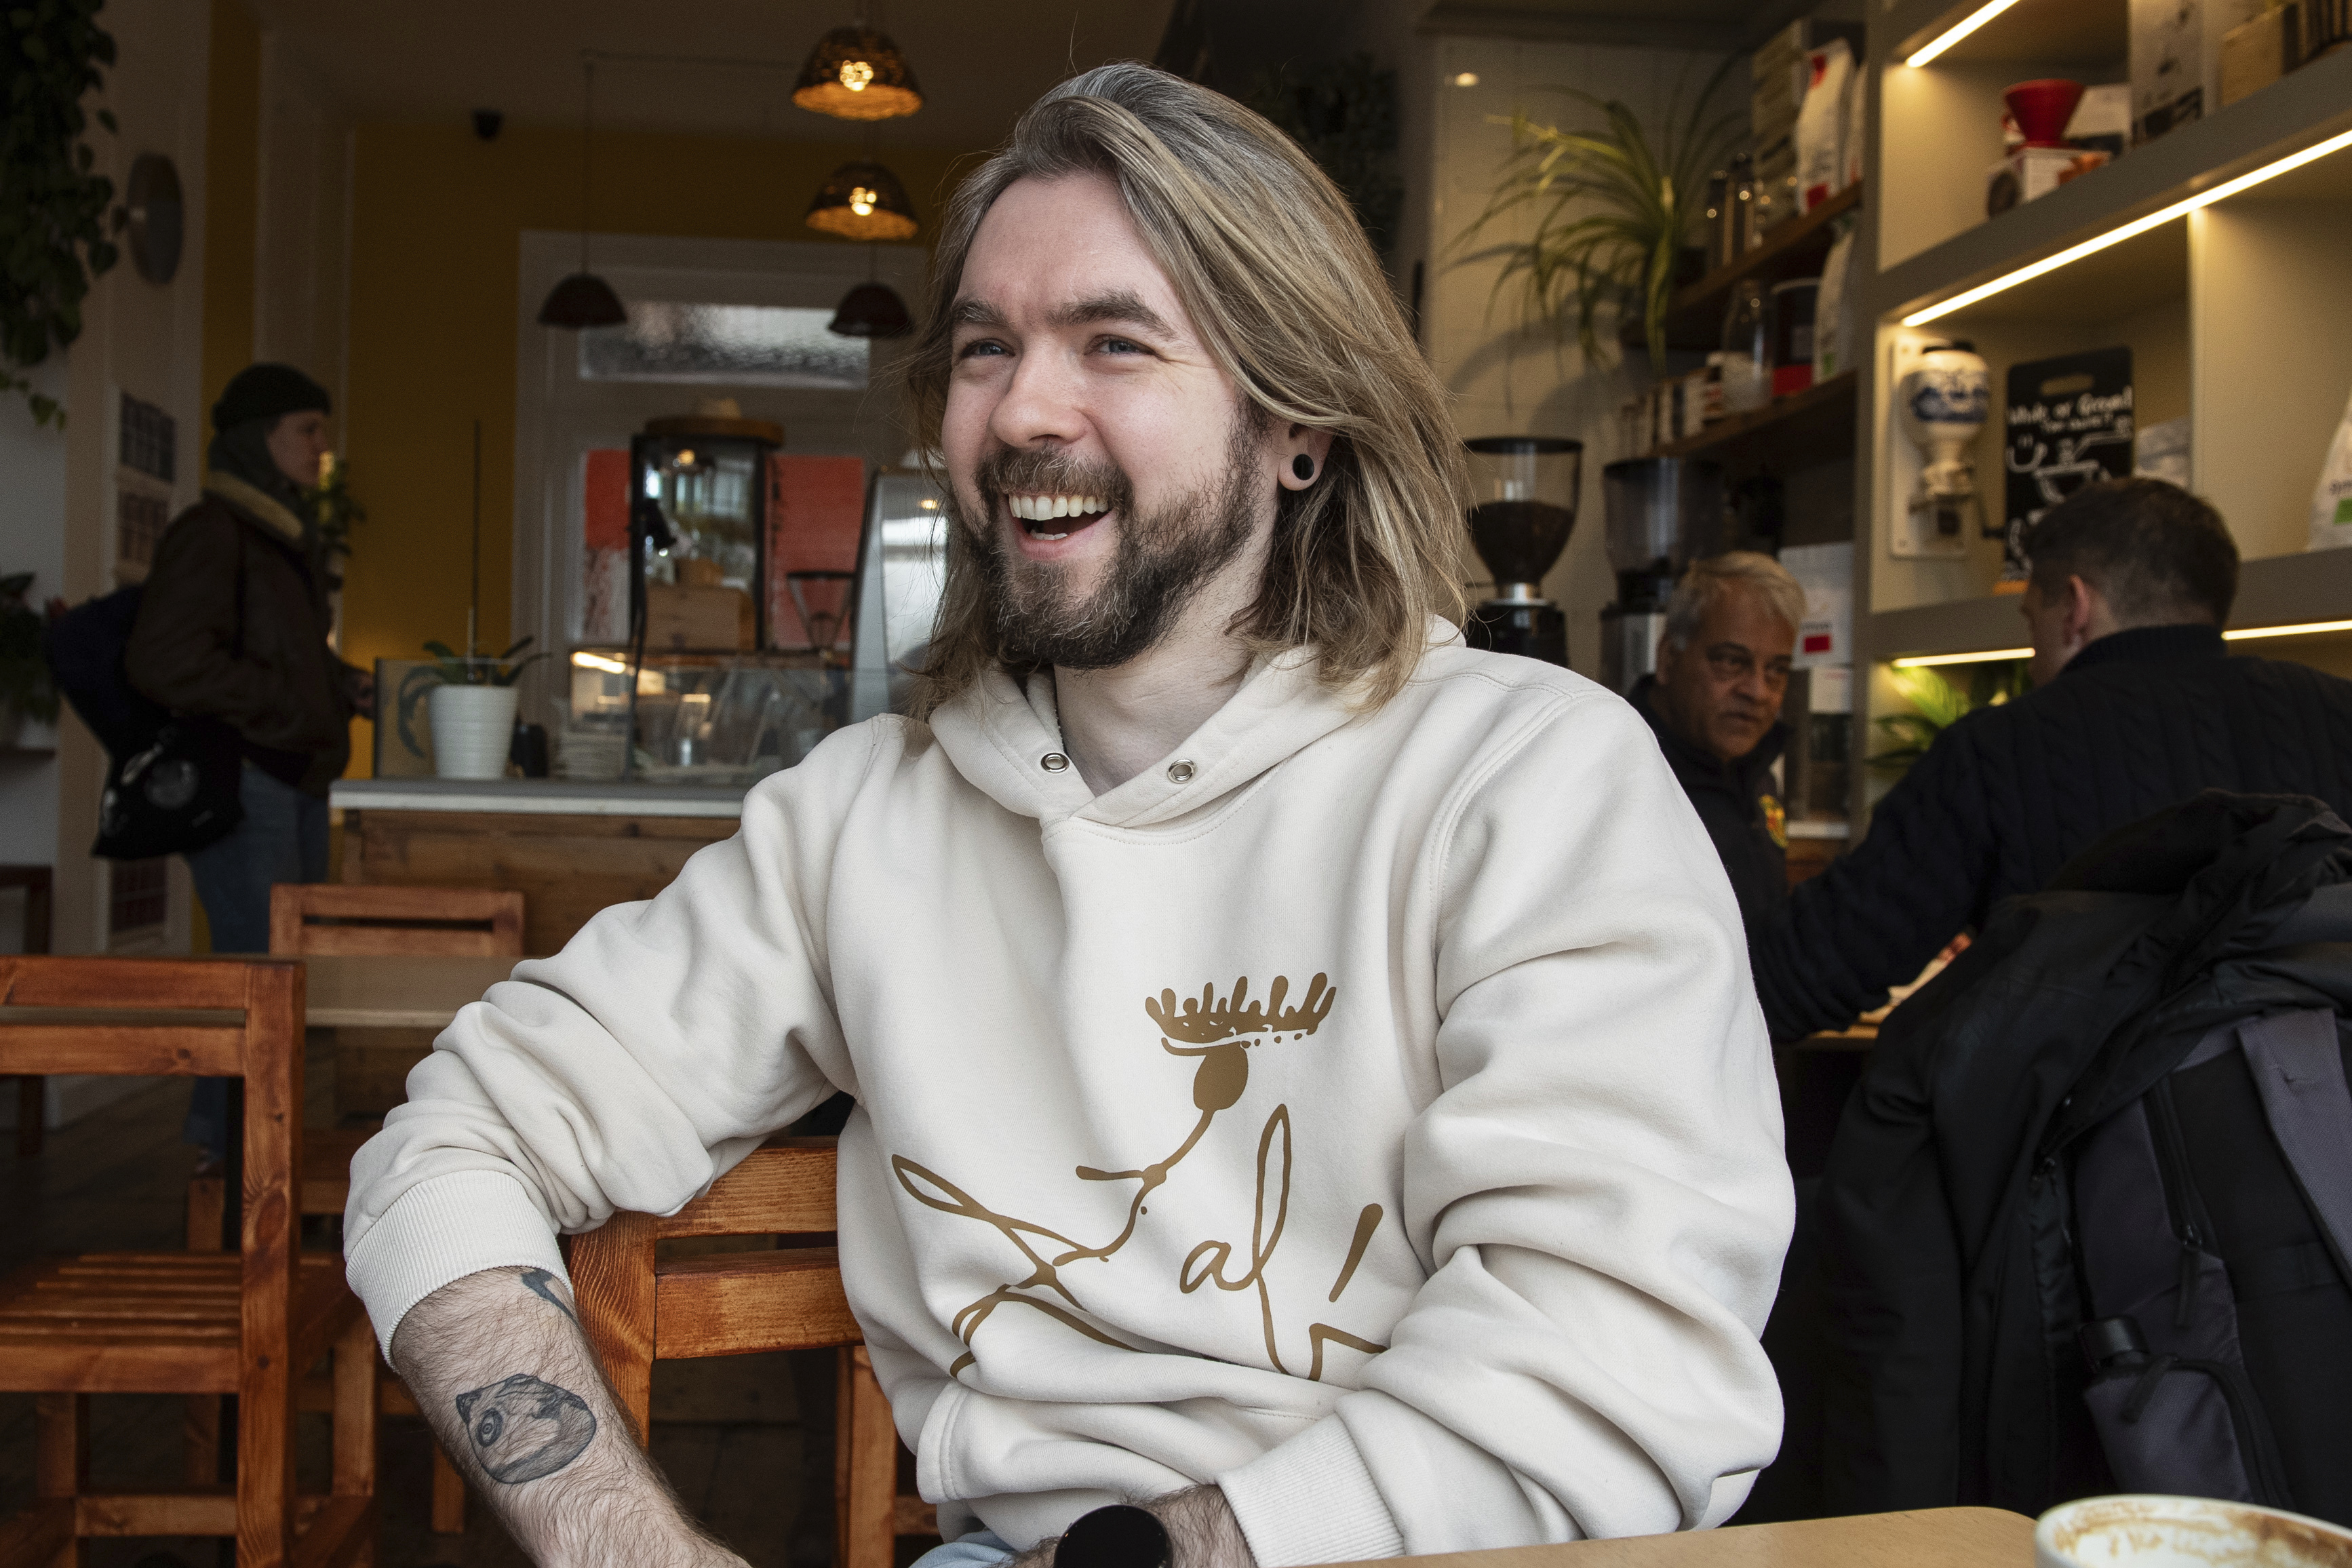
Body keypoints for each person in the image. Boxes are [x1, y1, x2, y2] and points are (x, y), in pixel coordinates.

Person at [346, 64, 1790, 1568]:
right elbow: (449, 1142)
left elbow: (1624, 1358)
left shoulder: (1529, 777)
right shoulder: (860, 825)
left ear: (1299, 422)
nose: (1026, 408)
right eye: (985, 347)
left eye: (1115, 341)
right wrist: (615, 1540)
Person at [1750, 476, 2352, 1042]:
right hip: (2325, 1135)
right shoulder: (2338, 715)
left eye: (2030, 619)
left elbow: (1814, 968)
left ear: (2073, 606)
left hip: (2075, 1146)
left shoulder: (2003, 748)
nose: (2034, 654)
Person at [126, 362, 371, 1157]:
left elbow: (279, 655)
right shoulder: (215, 531)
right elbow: (163, 659)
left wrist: (339, 686)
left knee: (272, 977)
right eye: (307, 429)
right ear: (257, 440)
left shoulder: (279, 534)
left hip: (290, 777)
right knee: (257, 979)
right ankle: (231, 1167)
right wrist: (286, 702)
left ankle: (236, 1160)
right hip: (248, 781)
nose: (321, 446)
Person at [1634, 553, 1804, 937]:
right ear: (1668, 659)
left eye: (1777, 670)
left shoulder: (1758, 773)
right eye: (1732, 662)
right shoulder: (1623, 770)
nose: (1757, 692)